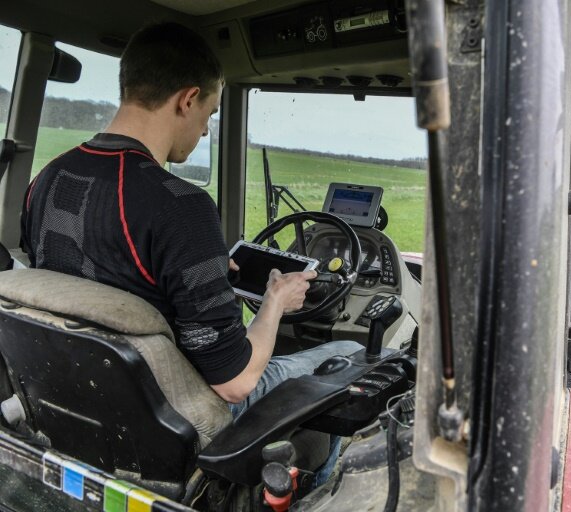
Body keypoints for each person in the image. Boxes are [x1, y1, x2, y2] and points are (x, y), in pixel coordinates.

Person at [20, 22, 361, 414]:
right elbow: (236, 383)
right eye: (210, 113)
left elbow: (105, 272)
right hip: (173, 411)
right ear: (188, 100)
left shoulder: (46, 178)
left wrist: (203, 273)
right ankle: (319, 476)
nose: (205, 131)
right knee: (350, 353)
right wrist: (276, 301)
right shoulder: (180, 205)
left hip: (80, 394)